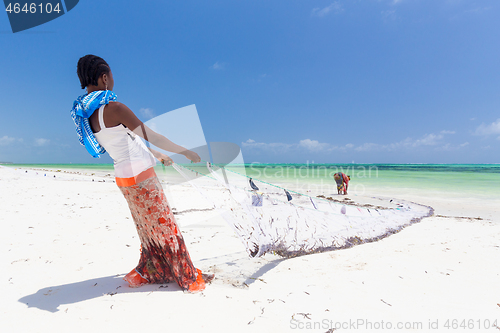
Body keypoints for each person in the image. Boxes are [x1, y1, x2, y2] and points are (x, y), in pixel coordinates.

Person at [71, 55, 212, 292]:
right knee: (166, 227)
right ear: (104, 77)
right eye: (112, 75)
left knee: (147, 228)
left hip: (124, 178)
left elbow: (126, 140)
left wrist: (157, 155)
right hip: (142, 176)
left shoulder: (88, 116)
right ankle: (186, 276)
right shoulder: (114, 108)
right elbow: (149, 134)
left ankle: (154, 269)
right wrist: (185, 151)